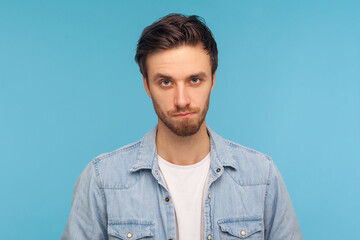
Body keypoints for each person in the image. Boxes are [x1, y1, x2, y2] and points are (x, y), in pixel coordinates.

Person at [61, 13, 302, 240]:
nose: (181, 100)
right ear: (147, 85)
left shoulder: (262, 176)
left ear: (213, 80)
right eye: (165, 82)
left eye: (194, 80)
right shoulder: (102, 180)